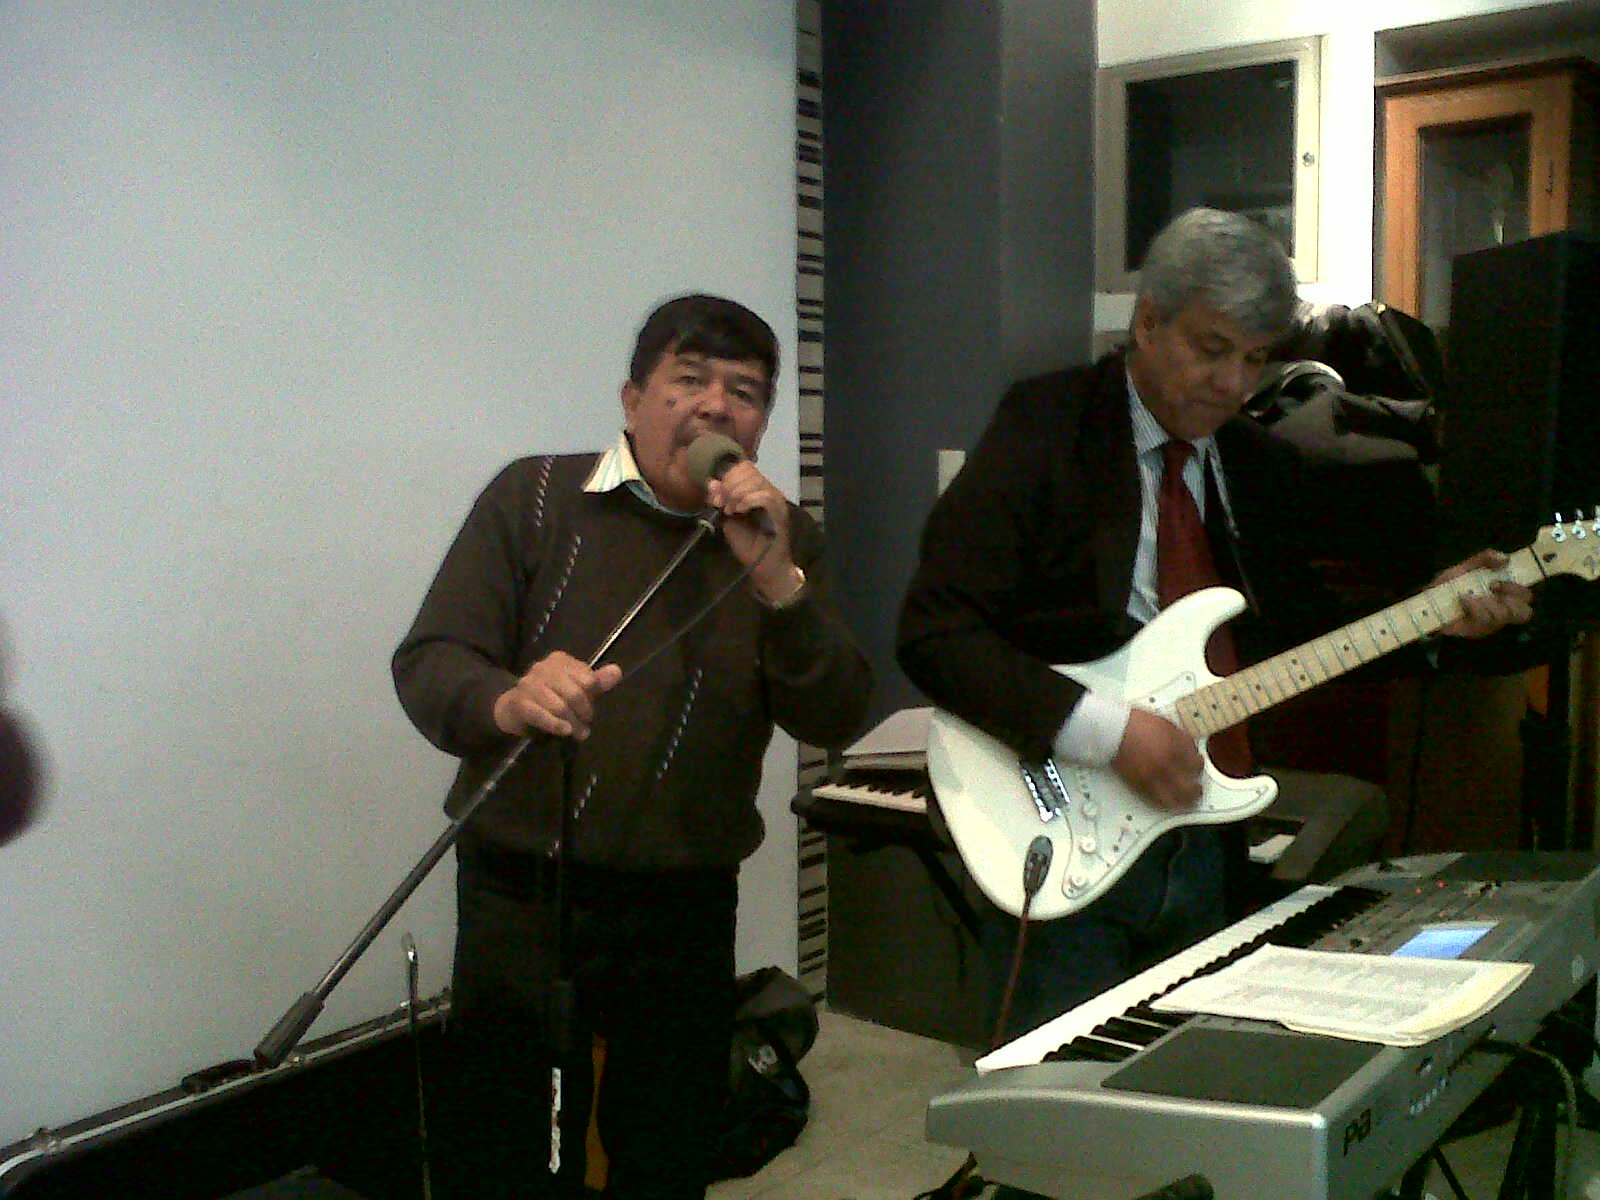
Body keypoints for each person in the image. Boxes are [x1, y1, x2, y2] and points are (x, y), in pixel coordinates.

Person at [896, 208, 1532, 1046]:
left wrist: (1435, 615)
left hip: (1205, 832)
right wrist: (1111, 732)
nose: (1234, 383)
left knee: (1179, 1081)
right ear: (1147, 322)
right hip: (1061, 817)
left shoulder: (1257, 462)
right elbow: (934, 632)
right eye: (1212, 348)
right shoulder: (1047, 425)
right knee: (1054, 1090)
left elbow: (1306, 633)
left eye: (1256, 358)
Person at [393, 293, 872, 1200]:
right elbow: (431, 659)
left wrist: (777, 578)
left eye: (745, 393)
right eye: (689, 381)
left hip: (685, 899)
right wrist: (507, 698)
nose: (716, 406)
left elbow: (837, 710)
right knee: (510, 1150)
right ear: (632, 399)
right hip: (523, 888)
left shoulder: (786, 538)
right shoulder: (536, 496)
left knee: (667, 1148)